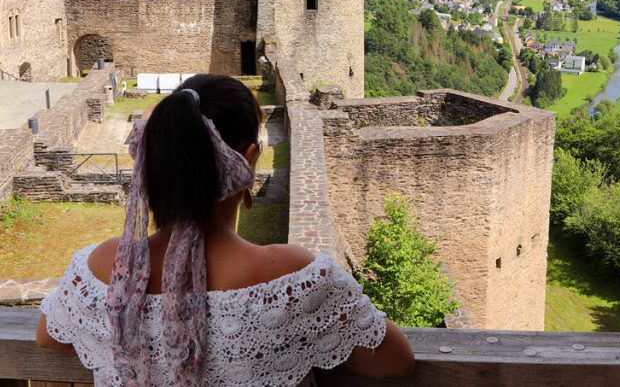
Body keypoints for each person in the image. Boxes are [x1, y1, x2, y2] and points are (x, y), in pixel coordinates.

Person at [36, 74, 414, 386]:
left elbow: (47, 336)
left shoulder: (99, 271)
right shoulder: (294, 280)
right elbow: (396, 362)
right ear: (247, 160)